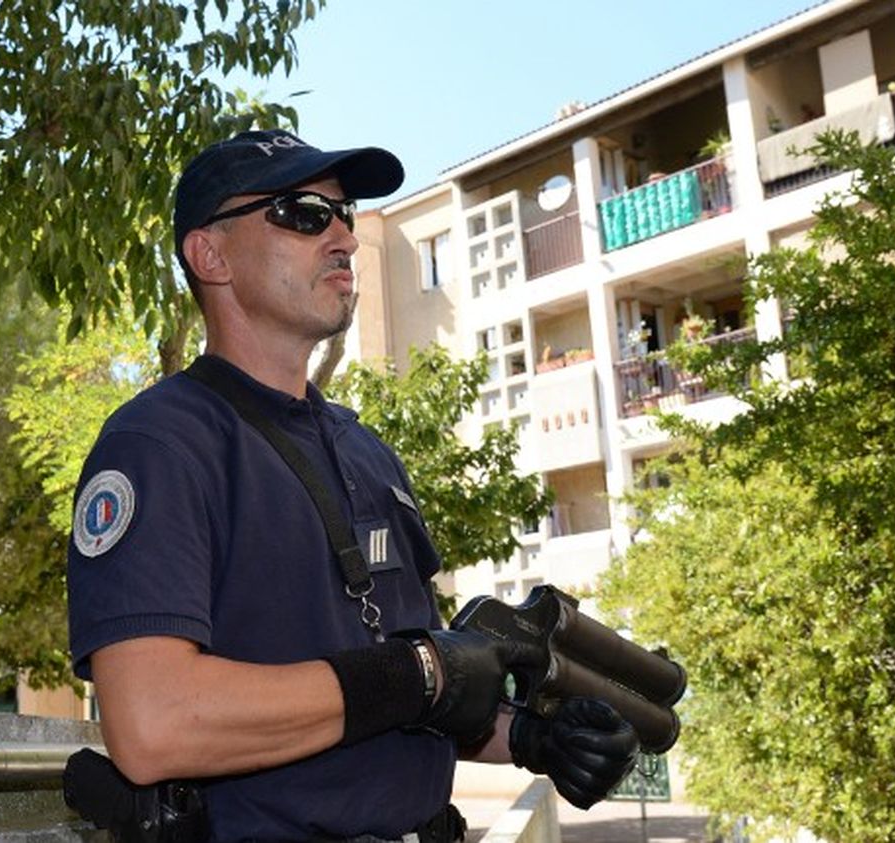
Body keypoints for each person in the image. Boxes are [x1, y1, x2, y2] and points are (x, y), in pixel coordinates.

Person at [65, 129, 640, 843]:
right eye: (304, 211)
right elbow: (154, 722)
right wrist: (415, 672)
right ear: (209, 255)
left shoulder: (367, 452)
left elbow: (414, 697)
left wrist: (531, 738)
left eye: (345, 212)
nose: (343, 235)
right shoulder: (160, 445)